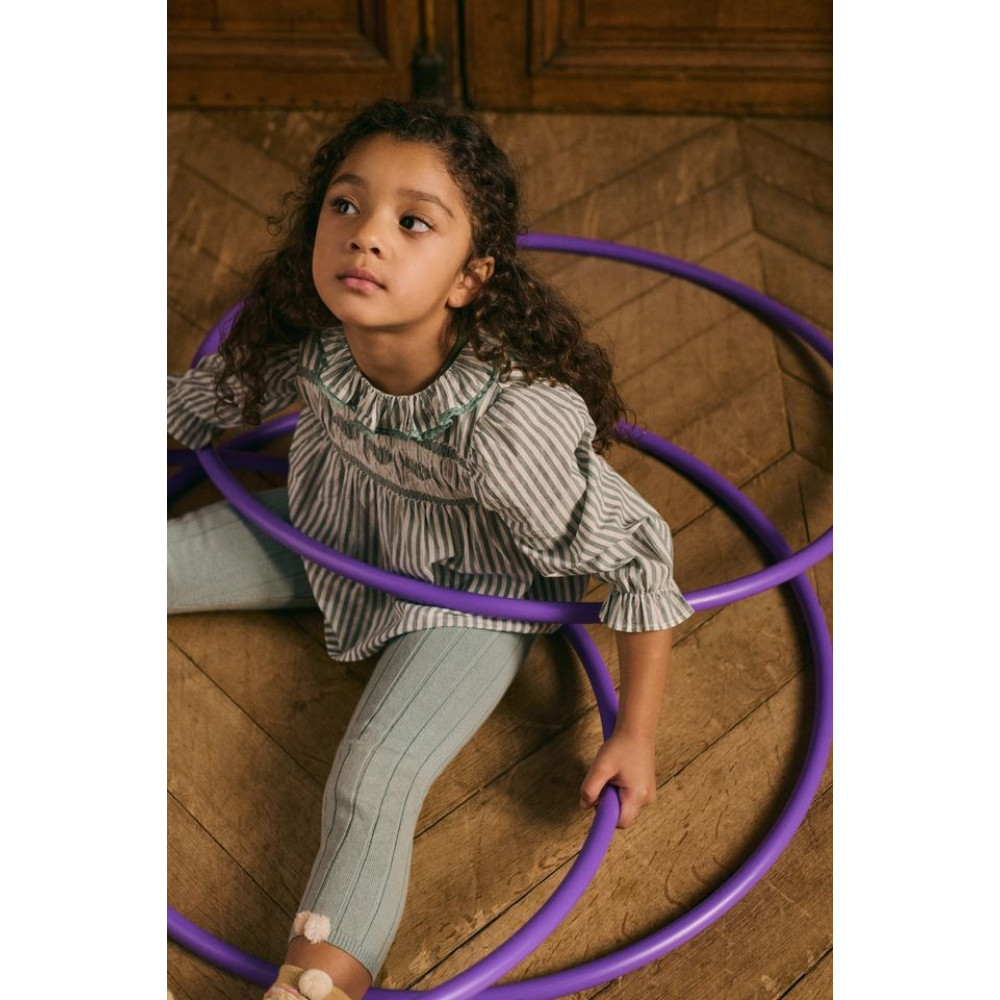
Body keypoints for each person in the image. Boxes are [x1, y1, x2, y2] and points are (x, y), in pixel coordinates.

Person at [167, 98, 694, 1000]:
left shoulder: (507, 423)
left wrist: (635, 734)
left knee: (373, 777)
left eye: (412, 222)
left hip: (466, 597)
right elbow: (206, 402)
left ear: (468, 279)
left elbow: (642, 559)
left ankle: (312, 985)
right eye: (345, 204)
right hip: (333, 529)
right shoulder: (315, 338)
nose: (366, 235)